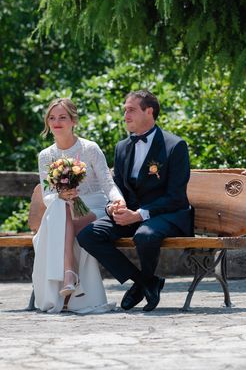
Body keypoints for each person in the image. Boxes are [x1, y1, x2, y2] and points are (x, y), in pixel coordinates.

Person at [78, 90, 192, 312]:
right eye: (124, 110)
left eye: (131, 110)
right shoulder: (122, 147)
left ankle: (144, 283)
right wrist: (113, 206)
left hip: (166, 215)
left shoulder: (175, 146)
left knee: (145, 236)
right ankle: (145, 282)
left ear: (149, 111)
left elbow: (176, 197)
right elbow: (116, 185)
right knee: (88, 235)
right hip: (130, 214)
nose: (126, 115)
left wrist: (139, 214)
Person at [33, 98, 122, 313]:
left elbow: (107, 183)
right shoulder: (46, 156)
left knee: (61, 216)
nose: (57, 122)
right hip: (62, 207)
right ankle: (70, 275)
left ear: (74, 121)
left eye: (62, 117)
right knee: (61, 207)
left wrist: (119, 200)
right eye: (52, 118)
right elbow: (47, 196)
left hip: (93, 207)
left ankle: (68, 275)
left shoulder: (90, 148)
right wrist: (63, 195)